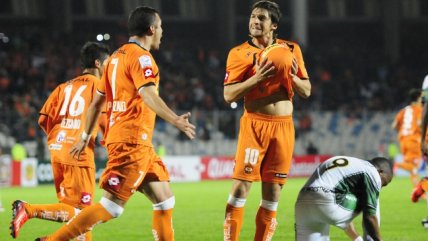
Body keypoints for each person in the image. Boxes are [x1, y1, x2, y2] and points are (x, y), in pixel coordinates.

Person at [34, 6, 196, 241]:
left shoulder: (114, 59)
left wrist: (83, 137)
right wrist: (175, 119)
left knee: (165, 199)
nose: (162, 32)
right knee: (112, 208)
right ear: (151, 29)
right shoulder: (141, 58)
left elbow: (96, 105)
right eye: (160, 27)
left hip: (134, 142)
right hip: (132, 141)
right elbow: (147, 94)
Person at [222, 1, 311, 240]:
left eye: (261, 18)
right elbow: (228, 94)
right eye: (253, 17)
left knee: (273, 193)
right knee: (241, 188)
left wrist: (291, 76)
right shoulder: (238, 53)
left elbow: (307, 90)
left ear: (274, 25)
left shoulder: (291, 49)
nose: (255, 22)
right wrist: (256, 78)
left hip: (284, 127)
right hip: (255, 124)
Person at [10, 42, 110, 240]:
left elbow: (43, 119)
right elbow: (105, 121)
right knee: (83, 214)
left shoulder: (63, 87)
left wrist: (60, 137)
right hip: (78, 154)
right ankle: (28, 210)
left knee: (73, 211)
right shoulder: (99, 88)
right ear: (98, 63)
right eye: (107, 63)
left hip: (57, 151)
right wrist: (105, 140)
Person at [295, 156, 394, 241]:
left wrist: (357, 238)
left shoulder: (352, 165)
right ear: (380, 172)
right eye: (384, 183)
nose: (381, 186)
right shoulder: (371, 171)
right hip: (329, 201)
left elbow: (344, 214)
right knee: (372, 199)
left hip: (302, 204)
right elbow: (369, 217)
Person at [392, 88, 424, 188]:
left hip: (403, 140)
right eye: (422, 97)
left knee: (412, 168)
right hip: (414, 141)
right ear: (418, 98)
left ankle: (419, 192)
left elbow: (394, 125)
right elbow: (420, 124)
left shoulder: (403, 110)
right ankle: (396, 165)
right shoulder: (420, 109)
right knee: (414, 167)